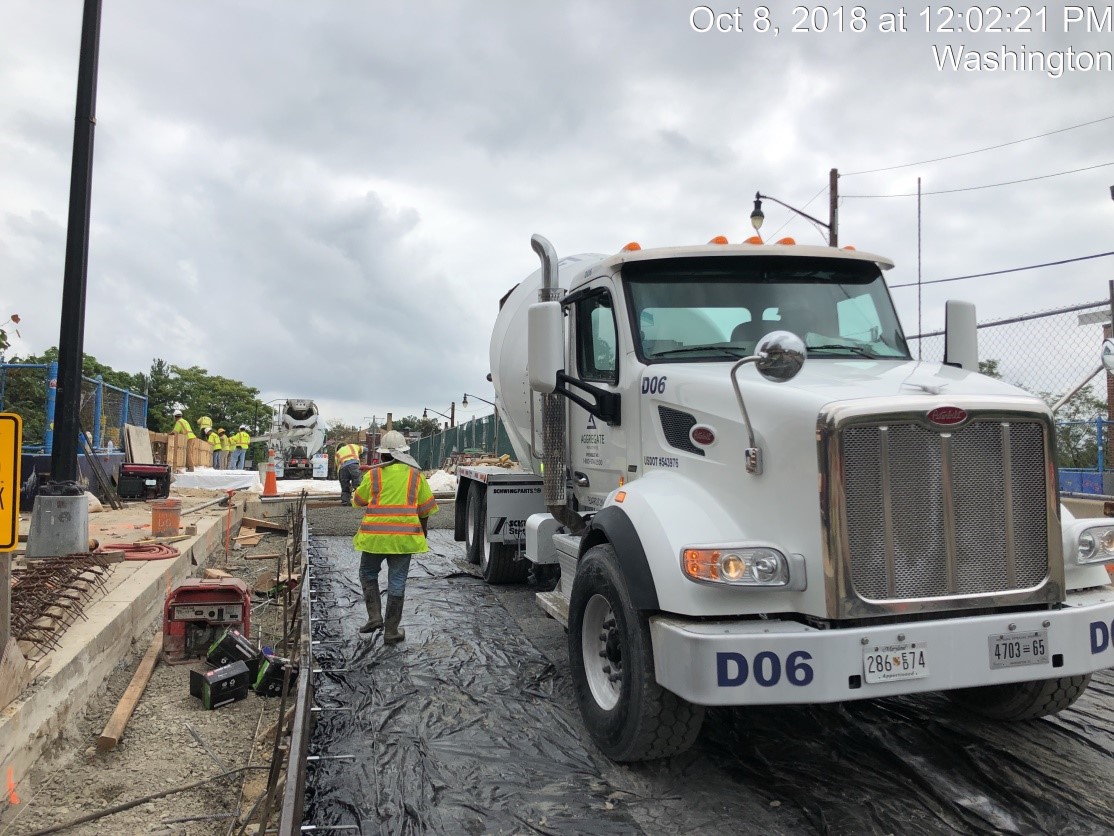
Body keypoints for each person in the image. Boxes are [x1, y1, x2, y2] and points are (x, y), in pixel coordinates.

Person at [351, 430, 437, 644]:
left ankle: (374, 617)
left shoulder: (374, 475)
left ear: (382, 455)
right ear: (404, 453)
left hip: (375, 539)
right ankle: (391, 631)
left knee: (367, 574)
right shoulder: (416, 475)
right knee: (397, 582)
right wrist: (423, 530)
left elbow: (358, 501)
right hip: (404, 539)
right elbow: (425, 508)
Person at [334, 441, 366, 506]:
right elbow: (365, 449)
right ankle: (360, 502)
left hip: (343, 468)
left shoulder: (337, 453)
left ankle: (345, 502)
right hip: (354, 465)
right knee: (358, 485)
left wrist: (341, 481)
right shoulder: (352, 446)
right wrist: (362, 457)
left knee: (345, 487)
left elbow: (338, 468)